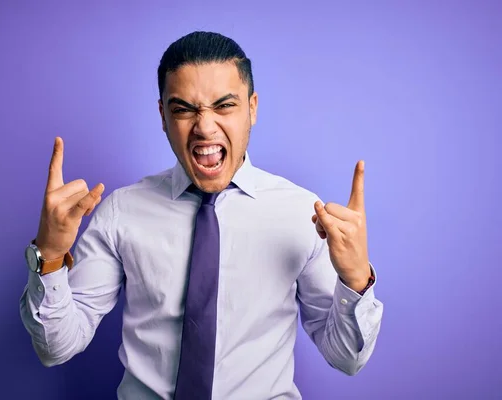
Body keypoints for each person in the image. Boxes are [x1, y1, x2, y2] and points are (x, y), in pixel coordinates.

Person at [20, 31, 383, 399]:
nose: (205, 127)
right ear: (163, 115)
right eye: (183, 109)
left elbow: (346, 359)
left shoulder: (302, 215)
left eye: (224, 106)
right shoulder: (121, 213)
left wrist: (355, 279)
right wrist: (49, 256)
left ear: (252, 108)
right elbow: (56, 348)